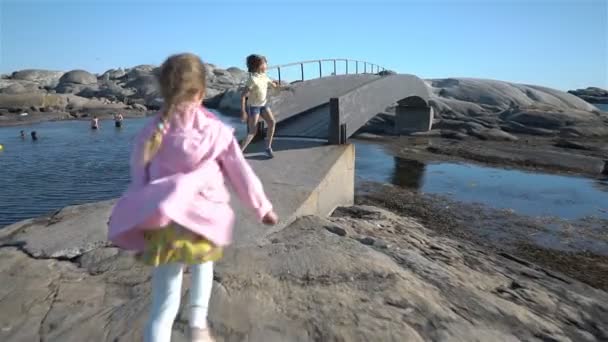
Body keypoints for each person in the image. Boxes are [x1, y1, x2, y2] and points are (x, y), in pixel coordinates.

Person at [107, 53, 278, 342]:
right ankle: (197, 323)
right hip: (203, 222)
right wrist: (262, 208)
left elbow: (139, 181)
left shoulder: (151, 132)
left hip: (165, 225)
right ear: (201, 92)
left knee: (164, 303)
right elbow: (240, 172)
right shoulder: (215, 131)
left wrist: (138, 221)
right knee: (203, 266)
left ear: (164, 91)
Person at [239, 54, 282, 158]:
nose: (266, 65)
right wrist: (243, 111)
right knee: (253, 132)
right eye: (265, 63)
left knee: (272, 123)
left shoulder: (264, 76)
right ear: (258, 65)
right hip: (253, 107)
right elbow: (243, 96)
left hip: (263, 104)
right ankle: (238, 153)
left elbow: (275, 87)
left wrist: (277, 85)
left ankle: (268, 148)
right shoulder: (252, 79)